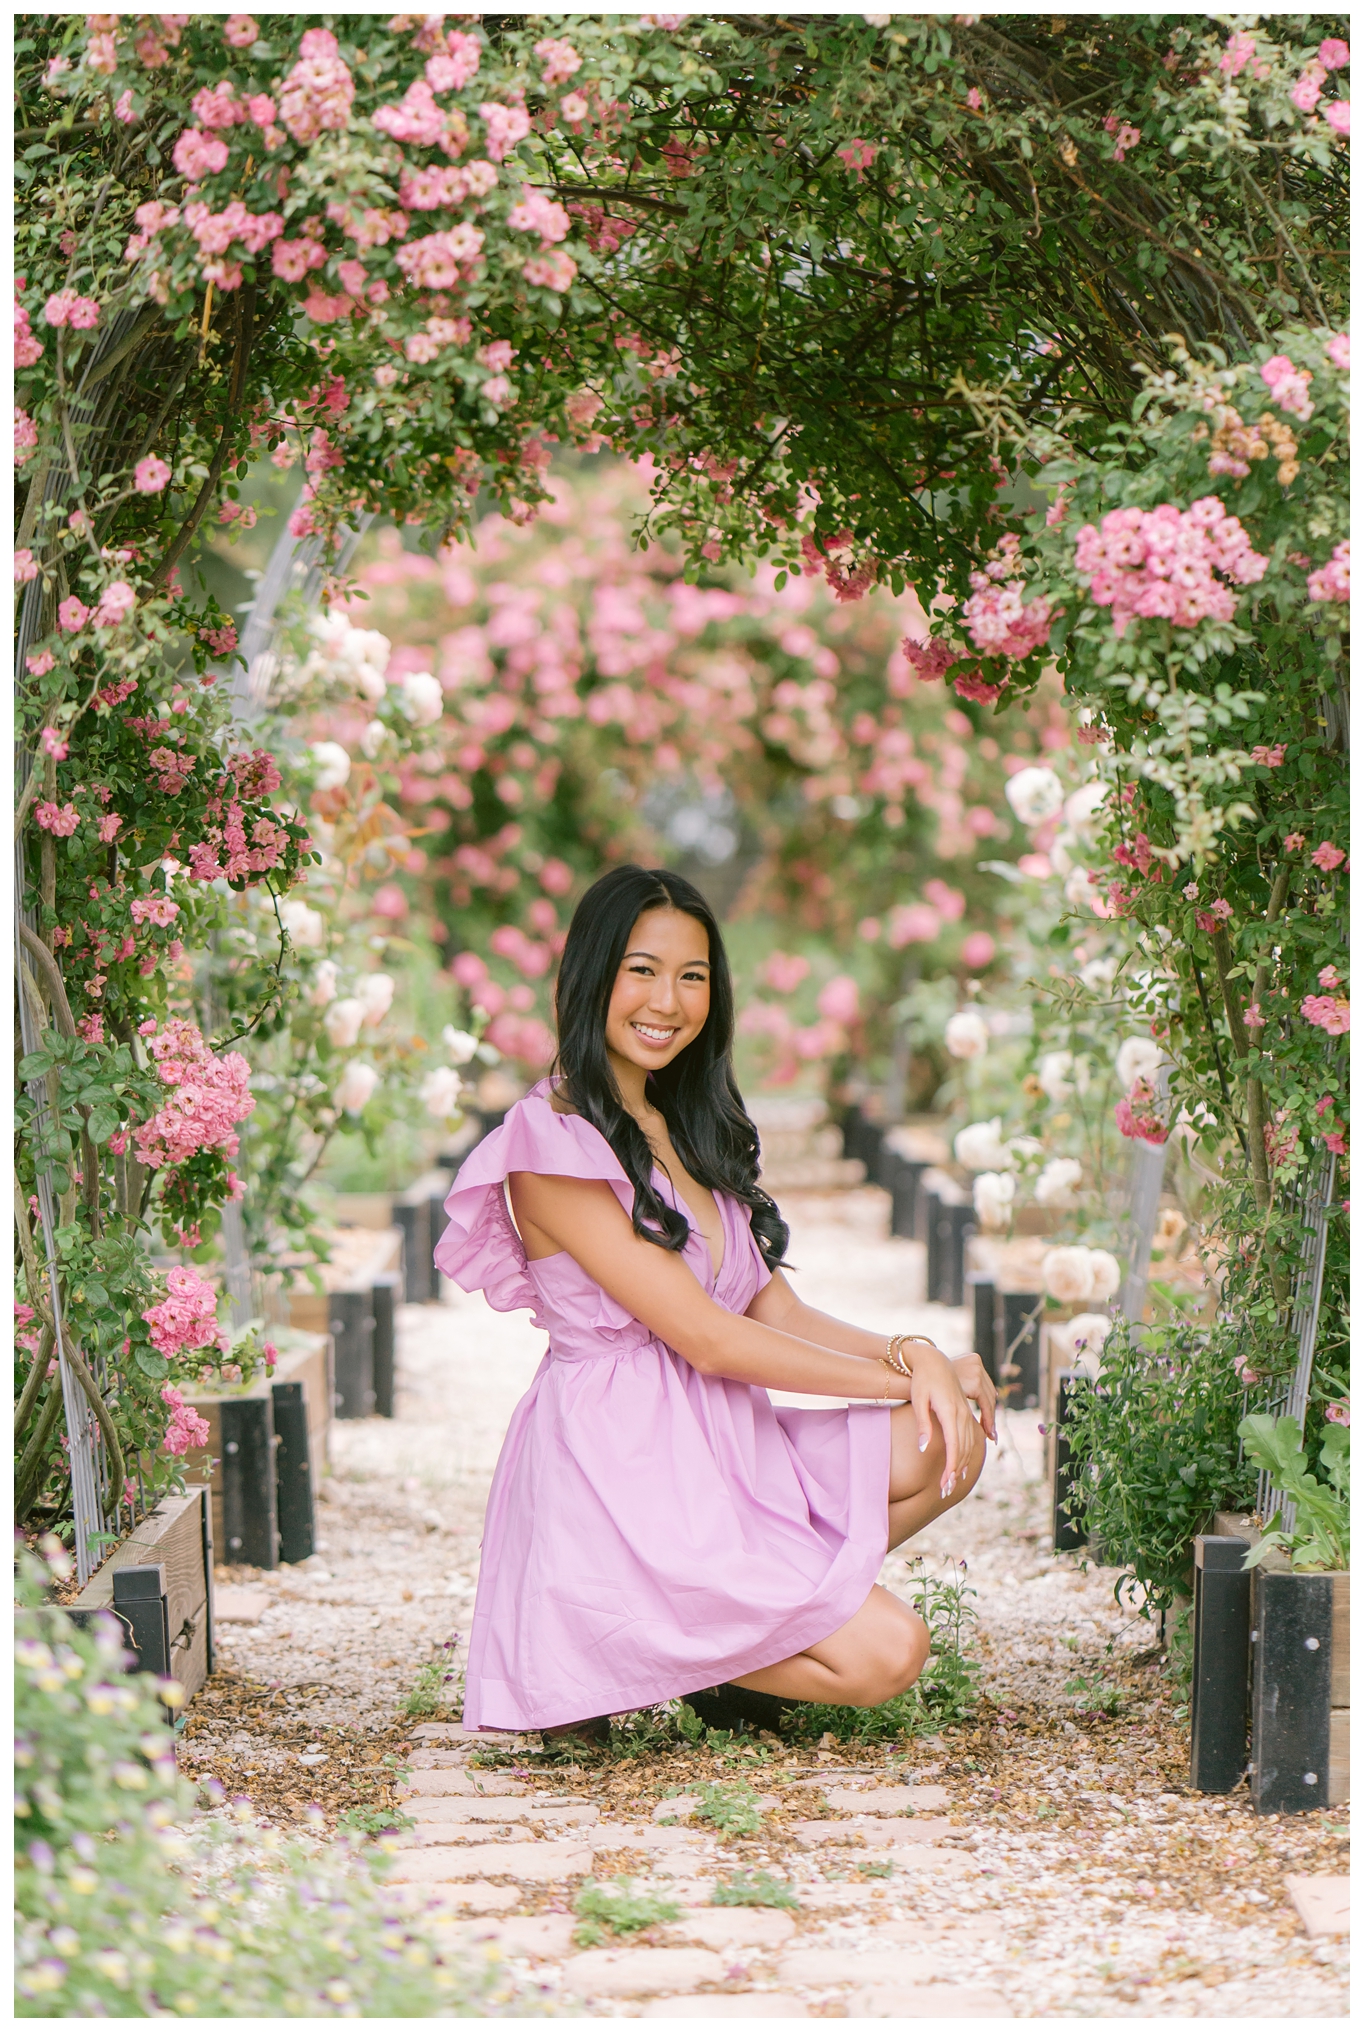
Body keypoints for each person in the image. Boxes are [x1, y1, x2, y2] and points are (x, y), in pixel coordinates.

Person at [436, 865, 995, 1739]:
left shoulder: (680, 1122)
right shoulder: (550, 1142)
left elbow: (772, 1312)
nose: (669, 999)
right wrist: (901, 1379)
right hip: (623, 1460)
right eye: (642, 969)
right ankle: (599, 1643)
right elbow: (711, 1339)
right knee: (890, 1654)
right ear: (590, 978)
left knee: (946, 1438)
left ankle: (701, 1653)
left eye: (692, 976)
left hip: (725, 1440)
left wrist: (917, 1356)